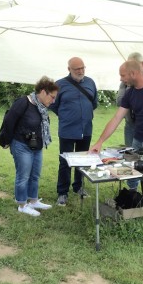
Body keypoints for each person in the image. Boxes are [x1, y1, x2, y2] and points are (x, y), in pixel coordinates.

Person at [90, 60, 143, 228]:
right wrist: (100, 142)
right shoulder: (130, 93)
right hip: (138, 140)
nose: (121, 79)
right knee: (141, 174)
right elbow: (117, 118)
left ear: (133, 73)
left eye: (123, 75)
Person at [1, 76, 59, 216]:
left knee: (35, 175)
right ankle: (22, 204)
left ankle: (33, 201)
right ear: (43, 91)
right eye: (52, 97)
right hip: (21, 145)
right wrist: (7, 141)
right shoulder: (23, 102)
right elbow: (9, 121)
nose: (53, 100)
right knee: (23, 176)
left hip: (36, 145)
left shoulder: (42, 107)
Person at [50, 57, 98, 207]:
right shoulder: (60, 84)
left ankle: (78, 187)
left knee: (82, 160)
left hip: (86, 129)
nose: (81, 71)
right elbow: (53, 104)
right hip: (67, 130)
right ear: (69, 69)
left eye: (83, 68)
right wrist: (67, 115)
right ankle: (62, 192)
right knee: (65, 162)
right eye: (77, 69)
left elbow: (94, 103)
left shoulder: (90, 82)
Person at [116, 52, 143, 147]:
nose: (131, 68)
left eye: (134, 65)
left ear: (142, 64)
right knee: (130, 155)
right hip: (131, 125)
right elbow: (119, 101)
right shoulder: (126, 82)